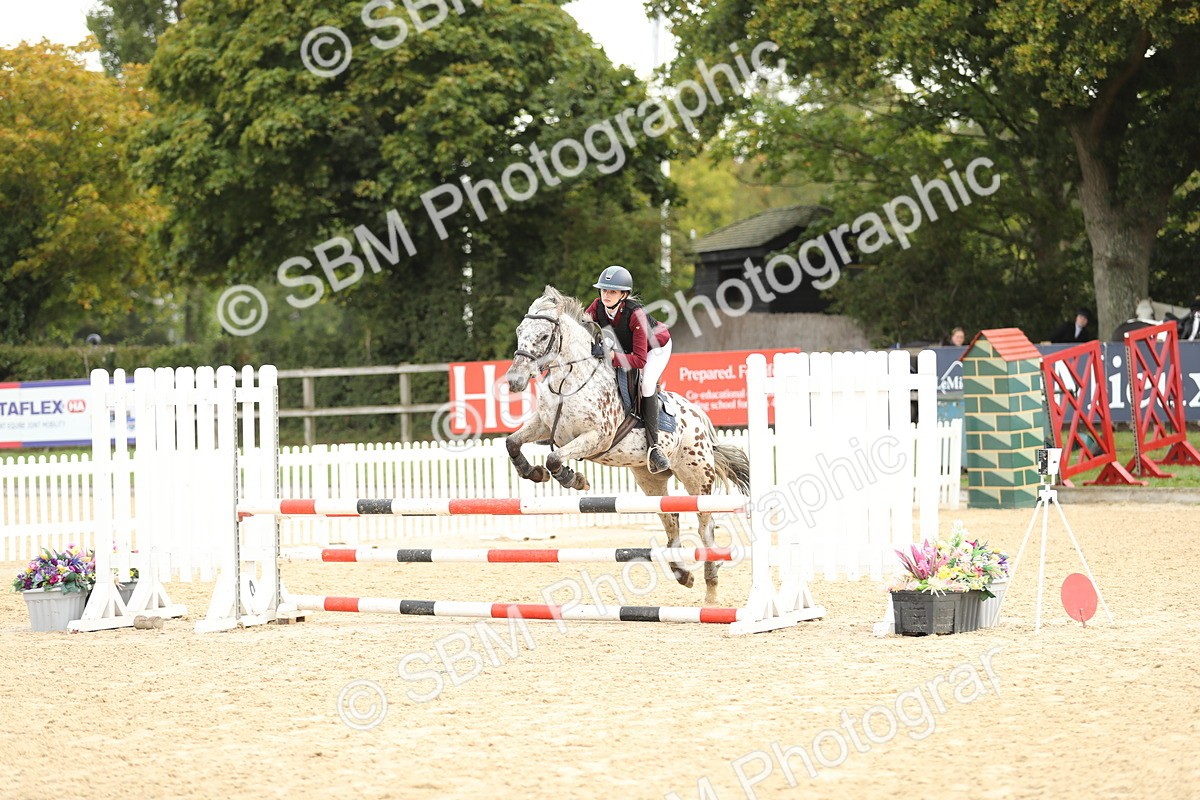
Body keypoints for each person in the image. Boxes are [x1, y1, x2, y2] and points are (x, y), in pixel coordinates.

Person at [584, 265, 673, 474]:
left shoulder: (636, 315)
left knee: (647, 386)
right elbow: (583, 328)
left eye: (612, 291)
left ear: (623, 294)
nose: (606, 295)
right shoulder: (597, 306)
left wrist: (613, 356)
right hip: (625, 347)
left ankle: (654, 448)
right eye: (604, 290)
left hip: (655, 349)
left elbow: (640, 360)